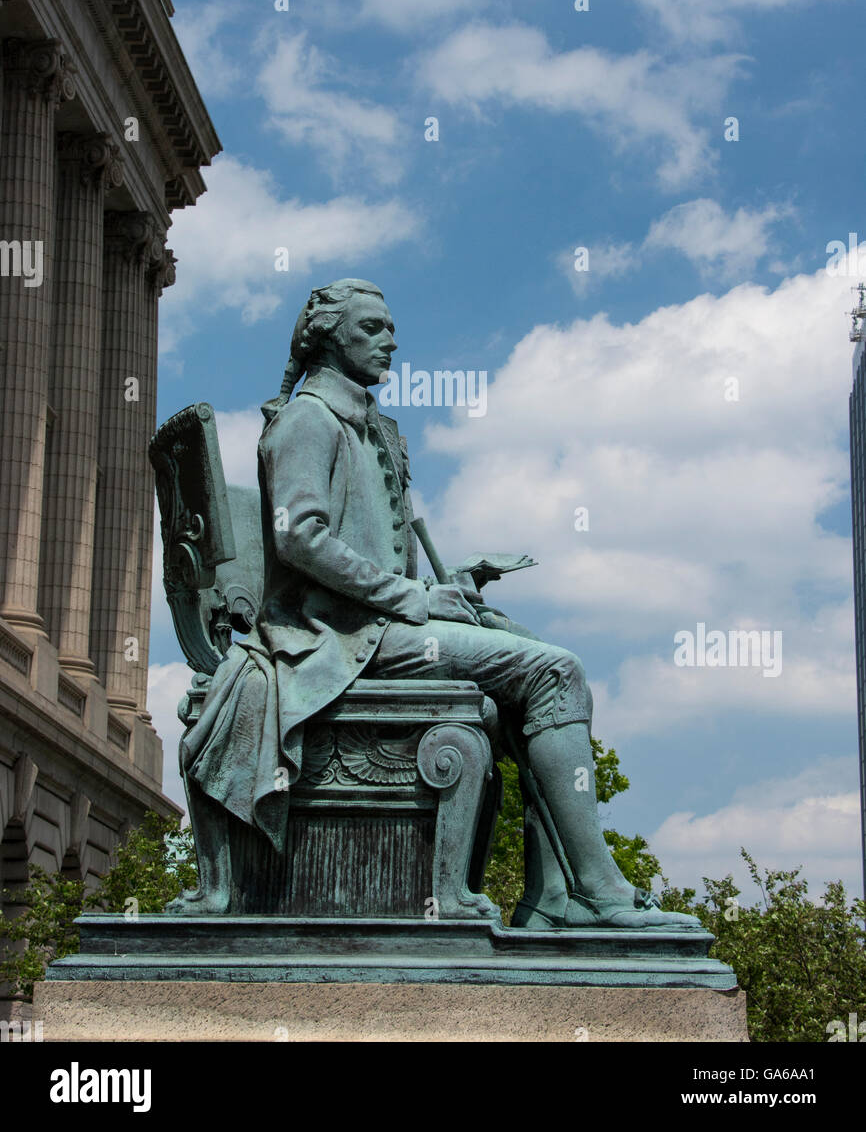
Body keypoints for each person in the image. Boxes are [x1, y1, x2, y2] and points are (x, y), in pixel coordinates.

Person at [177, 278, 699, 929]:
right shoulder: (310, 419)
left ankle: (556, 895)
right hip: (333, 640)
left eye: (391, 326)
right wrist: (415, 598)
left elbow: (361, 546)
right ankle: (595, 889)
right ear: (328, 338)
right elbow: (299, 536)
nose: (391, 339)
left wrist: (450, 591)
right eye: (372, 328)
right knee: (553, 670)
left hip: (370, 627)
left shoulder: (357, 422)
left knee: (520, 645)